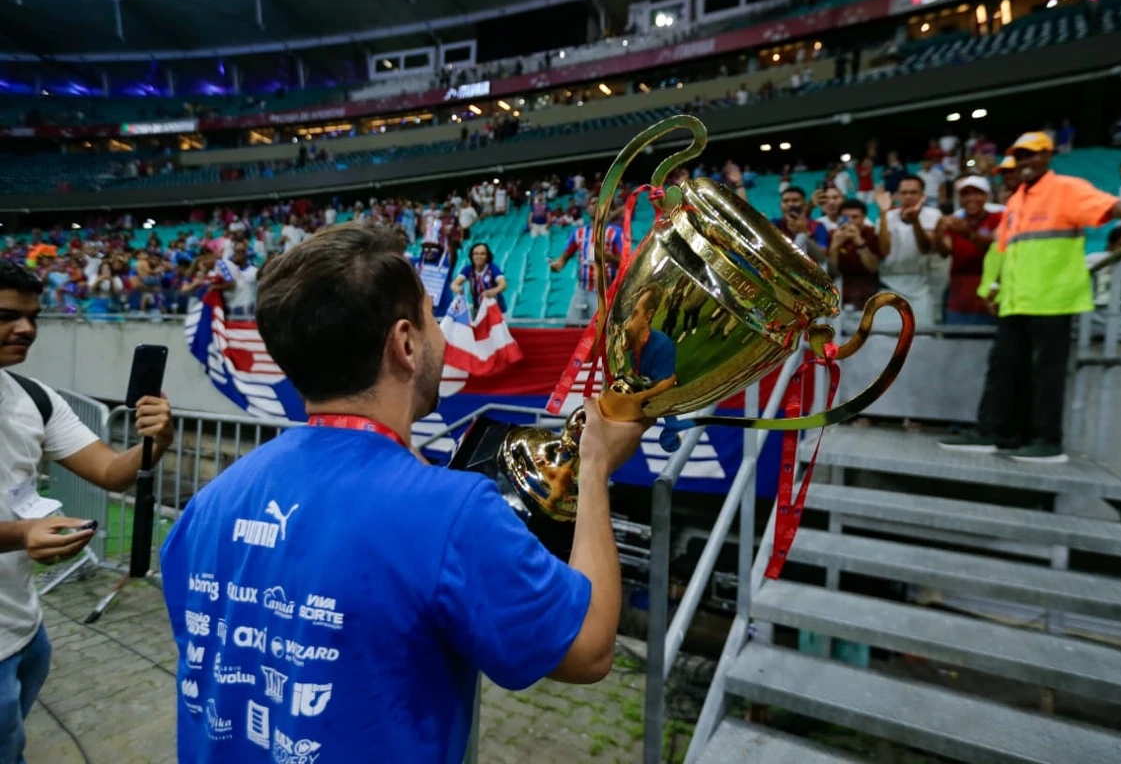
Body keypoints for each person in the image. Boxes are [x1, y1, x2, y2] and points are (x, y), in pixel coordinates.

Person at [159, 227, 647, 764]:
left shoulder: (209, 503)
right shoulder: (452, 514)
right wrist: (596, 465)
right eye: (434, 318)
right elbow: (589, 647)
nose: (442, 335)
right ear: (406, 343)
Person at [0, 260, 174, 764]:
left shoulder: (35, 398)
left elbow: (112, 472)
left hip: (27, 632)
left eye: (33, 316)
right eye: (8, 315)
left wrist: (155, 441)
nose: (27, 328)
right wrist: (21, 534)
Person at [941, 131, 1121, 462]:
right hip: (1016, 300)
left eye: (1033, 155)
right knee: (1004, 367)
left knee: (1046, 372)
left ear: (1048, 156)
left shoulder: (1066, 188)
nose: (1025, 162)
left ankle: (1047, 440)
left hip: (1053, 298)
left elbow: (1107, 204)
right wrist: (992, 290)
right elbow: (1003, 250)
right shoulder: (1017, 200)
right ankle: (995, 432)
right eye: (1020, 156)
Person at [933, 176, 1003, 325]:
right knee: (955, 345)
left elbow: (995, 245)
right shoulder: (955, 221)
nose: (971, 198)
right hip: (959, 298)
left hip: (990, 297)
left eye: (977, 193)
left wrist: (967, 233)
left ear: (986, 196)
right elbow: (945, 252)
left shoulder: (998, 218)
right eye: (965, 194)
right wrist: (938, 233)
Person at [876, 176, 942, 328]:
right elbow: (884, 251)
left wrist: (915, 221)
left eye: (913, 192)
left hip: (921, 288)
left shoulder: (933, 215)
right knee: (882, 339)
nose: (908, 197)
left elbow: (925, 248)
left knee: (923, 338)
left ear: (922, 196)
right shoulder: (886, 217)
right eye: (904, 193)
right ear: (898, 195)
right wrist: (883, 213)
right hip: (889, 286)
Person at [550, 201, 622, 327]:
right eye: (593, 203)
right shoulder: (578, 233)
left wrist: (610, 258)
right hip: (581, 289)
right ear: (587, 209)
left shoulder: (615, 233)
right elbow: (564, 257)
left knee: (598, 330)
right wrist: (557, 265)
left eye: (600, 201)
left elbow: (624, 262)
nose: (595, 205)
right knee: (570, 326)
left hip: (603, 292)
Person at [827, 198, 881, 312]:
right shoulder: (831, 235)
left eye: (855, 217)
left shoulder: (871, 234)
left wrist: (859, 242)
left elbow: (873, 268)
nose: (850, 221)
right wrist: (834, 247)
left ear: (863, 218)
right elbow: (830, 273)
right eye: (845, 218)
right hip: (839, 288)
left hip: (868, 288)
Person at [451, 242, 507, 315]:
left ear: (487, 256)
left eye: (482, 254)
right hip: (478, 310)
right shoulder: (468, 269)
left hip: (497, 309)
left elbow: (503, 285)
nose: (479, 256)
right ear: (472, 256)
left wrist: (493, 291)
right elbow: (454, 284)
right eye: (476, 254)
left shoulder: (493, 268)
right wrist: (457, 288)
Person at [772, 186, 827, 261]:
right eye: (785, 201)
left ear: (804, 204)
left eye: (795, 200)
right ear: (780, 205)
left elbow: (822, 257)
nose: (790, 204)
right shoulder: (773, 224)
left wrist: (804, 233)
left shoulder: (817, 226)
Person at [209, 241, 258, 318]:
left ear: (246, 253)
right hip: (228, 310)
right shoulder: (227, 270)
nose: (237, 254)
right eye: (236, 251)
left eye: (240, 251)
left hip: (249, 310)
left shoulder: (254, 271)